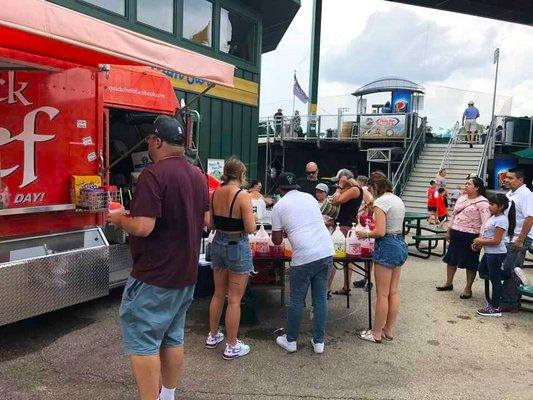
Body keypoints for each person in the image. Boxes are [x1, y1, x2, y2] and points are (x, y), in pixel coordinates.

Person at [107, 115, 208, 400]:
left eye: (150, 139)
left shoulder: (153, 174)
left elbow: (143, 226)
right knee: (173, 336)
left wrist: (119, 219)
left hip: (154, 275)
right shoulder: (197, 175)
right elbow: (205, 221)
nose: (149, 144)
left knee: (144, 343)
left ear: (158, 141)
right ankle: (168, 395)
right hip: (185, 273)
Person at [271, 172, 334, 354]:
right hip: (325, 250)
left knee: (297, 300)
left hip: (304, 256)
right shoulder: (309, 198)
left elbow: (276, 240)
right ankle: (319, 342)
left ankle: (291, 341)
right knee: (320, 298)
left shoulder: (279, 206)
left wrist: (285, 231)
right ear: (296, 187)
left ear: (280, 189)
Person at [206, 158, 256, 360]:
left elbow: (211, 224)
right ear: (242, 175)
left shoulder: (215, 193)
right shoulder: (243, 196)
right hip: (237, 244)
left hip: (218, 243)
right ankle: (232, 345)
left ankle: (212, 335)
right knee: (234, 299)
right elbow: (251, 228)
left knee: (218, 294)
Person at [355, 172, 408, 343]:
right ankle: (388, 330)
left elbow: (380, 231)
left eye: (370, 188)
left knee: (382, 294)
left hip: (386, 245)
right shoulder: (397, 199)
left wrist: (365, 233)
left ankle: (376, 333)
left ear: (375, 187)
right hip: (399, 242)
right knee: (393, 291)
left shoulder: (380, 202)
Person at [436, 177, 491, 299]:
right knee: (451, 259)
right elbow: (454, 215)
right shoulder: (461, 198)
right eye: (465, 183)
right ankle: (448, 283)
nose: (465, 186)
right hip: (456, 232)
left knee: (471, 262)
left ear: (477, 187)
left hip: (472, 236)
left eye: (469, 184)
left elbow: (485, 223)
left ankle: (468, 288)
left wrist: (481, 239)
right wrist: (449, 229)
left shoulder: (483, 202)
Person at [474, 194, 515, 317]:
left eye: (492, 204)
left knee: (495, 280)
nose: (489, 206)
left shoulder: (501, 220)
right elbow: (488, 235)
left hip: (496, 253)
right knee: (482, 270)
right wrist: (479, 243)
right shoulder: (493, 217)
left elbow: (497, 240)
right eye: (489, 203)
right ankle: (511, 275)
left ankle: (495, 308)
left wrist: (480, 241)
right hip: (489, 252)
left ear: (501, 206)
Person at [500, 168, 533, 312]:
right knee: (509, 268)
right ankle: (511, 299)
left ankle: (510, 303)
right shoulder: (511, 193)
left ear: (521, 180)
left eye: (511, 178)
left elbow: (530, 217)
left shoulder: (526, 195)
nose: (506, 180)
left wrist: (520, 240)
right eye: (506, 177)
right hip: (510, 237)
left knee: (511, 269)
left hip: (519, 239)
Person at [330, 168, 363, 295]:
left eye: (339, 180)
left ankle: (327, 288)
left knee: (333, 256)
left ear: (344, 179)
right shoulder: (354, 189)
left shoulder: (354, 189)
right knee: (346, 259)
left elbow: (336, 200)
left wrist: (340, 186)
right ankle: (346, 286)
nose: (338, 183)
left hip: (345, 226)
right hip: (345, 224)